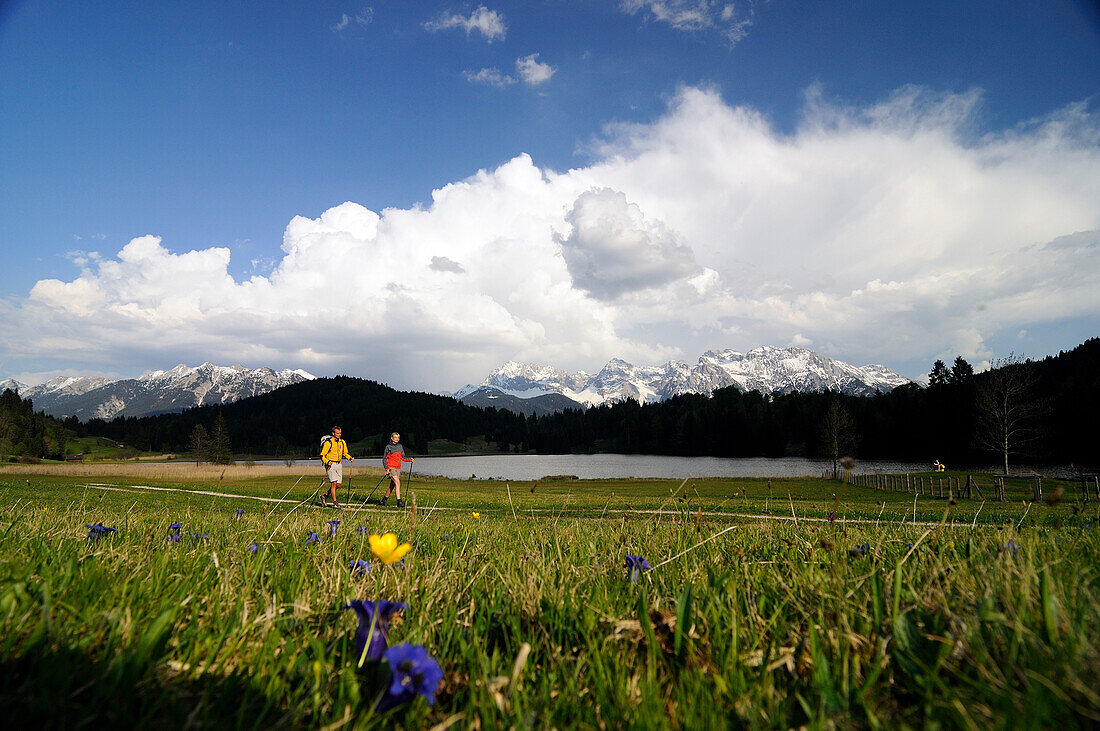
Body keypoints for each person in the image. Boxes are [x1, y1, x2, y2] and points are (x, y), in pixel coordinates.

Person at [320, 426, 354, 507]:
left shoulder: (342, 442)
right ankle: (335, 502)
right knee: (334, 483)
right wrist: (327, 462)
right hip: (330, 465)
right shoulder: (328, 443)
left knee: (338, 485)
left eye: (340, 433)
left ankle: (325, 496)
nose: (339, 435)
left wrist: (350, 458)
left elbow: (345, 453)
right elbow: (322, 455)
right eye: (337, 433)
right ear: (333, 433)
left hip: (339, 464)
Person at [381, 432, 413, 507]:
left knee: (392, 485)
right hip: (391, 467)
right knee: (398, 482)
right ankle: (399, 502)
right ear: (392, 438)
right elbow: (384, 459)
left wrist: (410, 459)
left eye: (398, 437)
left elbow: (403, 457)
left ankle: (384, 500)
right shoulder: (388, 447)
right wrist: (387, 468)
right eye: (395, 437)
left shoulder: (400, 446)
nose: (397, 439)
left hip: (397, 468)